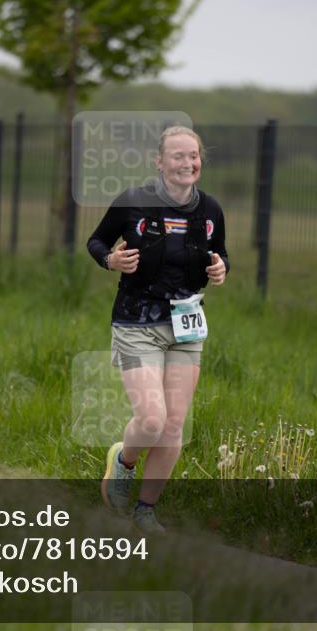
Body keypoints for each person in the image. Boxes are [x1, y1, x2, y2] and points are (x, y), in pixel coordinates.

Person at [86, 125, 229, 535]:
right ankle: (123, 463)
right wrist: (110, 261)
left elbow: (221, 256)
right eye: (178, 156)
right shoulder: (133, 201)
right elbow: (96, 242)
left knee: (173, 426)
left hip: (186, 326)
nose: (187, 163)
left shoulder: (211, 210)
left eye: (194, 156)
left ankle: (145, 510)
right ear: (160, 162)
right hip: (135, 322)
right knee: (151, 420)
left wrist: (221, 269)